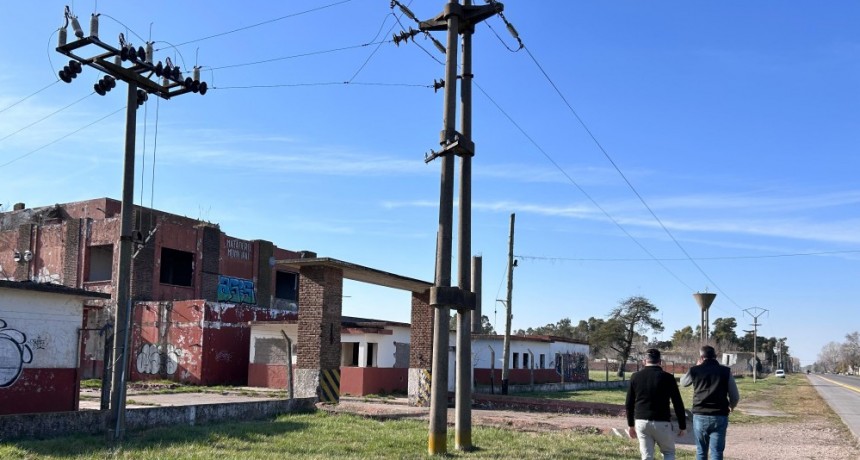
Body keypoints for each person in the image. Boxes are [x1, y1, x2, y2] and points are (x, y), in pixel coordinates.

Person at [626, 348, 687, 460]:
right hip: (662, 421)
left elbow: (629, 403)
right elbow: (677, 403)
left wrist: (630, 425)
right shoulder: (668, 378)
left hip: (641, 421)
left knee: (647, 456)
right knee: (668, 452)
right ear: (660, 362)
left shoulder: (635, 377)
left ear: (645, 361)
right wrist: (682, 425)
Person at [681, 345, 740, 460]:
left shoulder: (695, 370)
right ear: (716, 356)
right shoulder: (725, 371)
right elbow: (735, 396)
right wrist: (731, 406)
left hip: (699, 415)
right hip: (719, 415)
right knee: (716, 452)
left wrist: (695, 367)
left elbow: (683, 382)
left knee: (701, 451)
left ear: (701, 357)